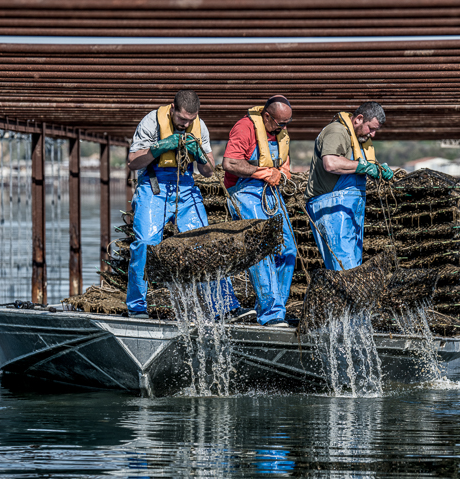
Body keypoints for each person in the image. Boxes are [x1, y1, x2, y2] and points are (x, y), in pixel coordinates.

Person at [126, 89, 251, 321]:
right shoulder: (151, 122)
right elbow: (133, 162)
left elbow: (208, 170)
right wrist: (159, 148)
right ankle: (137, 306)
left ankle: (225, 307)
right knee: (144, 242)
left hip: (185, 185)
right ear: (172, 109)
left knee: (206, 243)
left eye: (190, 120)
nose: (186, 124)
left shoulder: (199, 126)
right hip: (154, 186)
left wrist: (201, 156)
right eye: (182, 119)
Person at [222, 95, 297, 328]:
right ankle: (270, 313)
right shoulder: (244, 127)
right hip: (245, 191)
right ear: (266, 116)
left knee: (288, 249)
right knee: (262, 249)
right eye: (279, 123)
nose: (283, 128)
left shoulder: (281, 133)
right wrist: (264, 173)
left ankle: (278, 309)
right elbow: (230, 163)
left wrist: (282, 174)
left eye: (286, 124)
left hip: (270, 192)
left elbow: (284, 166)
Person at [305, 102, 394, 271]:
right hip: (331, 206)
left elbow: (356, 164)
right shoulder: (337, 131)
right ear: (359, 119)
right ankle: (348, 298)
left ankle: (347, 298)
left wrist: (379, 169)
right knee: (345, 267)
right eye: (371, 128)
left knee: (352, 264)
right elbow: (331, 163)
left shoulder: (359, 139)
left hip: (349, 208)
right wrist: (365, 167)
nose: (373, 135)